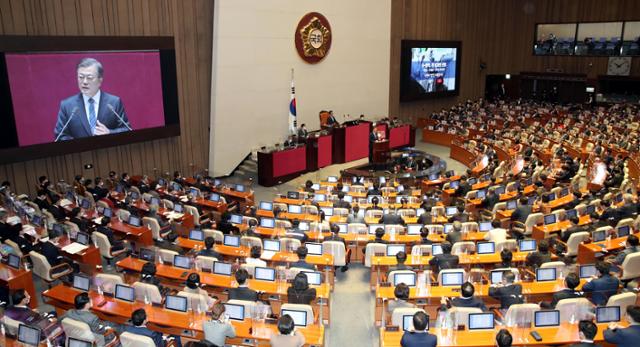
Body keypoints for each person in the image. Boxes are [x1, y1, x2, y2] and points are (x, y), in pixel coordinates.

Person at [54, 58, 131, 141]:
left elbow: (127, 129)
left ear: (100, 80)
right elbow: (60, 135)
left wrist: (109, 133)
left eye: (89, 77)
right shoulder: (67, 105)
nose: (84, 82)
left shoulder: (114, 102)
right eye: (81, 77)